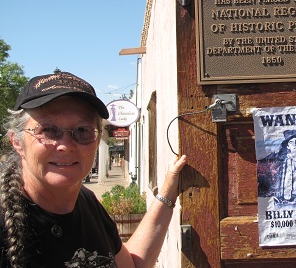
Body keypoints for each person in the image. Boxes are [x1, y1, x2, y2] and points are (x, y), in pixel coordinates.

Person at [0, 70, 187, 268]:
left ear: (97, 140)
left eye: (82, 131)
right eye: (48, 130)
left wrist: (167, 192)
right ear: (17, 142)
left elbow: (131, 265)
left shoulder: (87, 202)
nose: (66, 145)